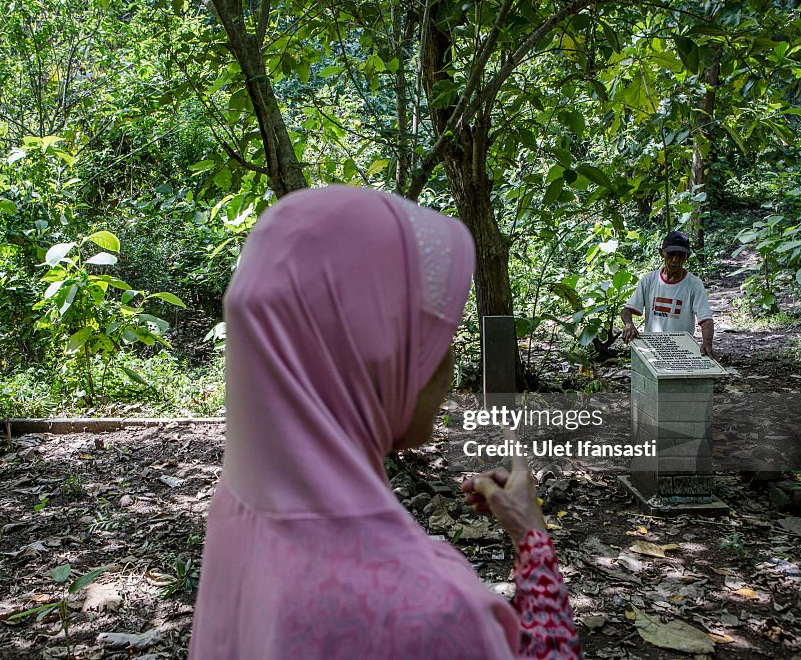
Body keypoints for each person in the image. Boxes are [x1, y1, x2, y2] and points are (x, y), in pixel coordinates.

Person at [188, 186, 580, 659]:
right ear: (372, 352)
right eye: (434, 338)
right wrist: (534, 542)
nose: (449, 362)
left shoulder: (239, 506)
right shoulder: (433, 616)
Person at [621, 230, 716, 358]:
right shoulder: (649, 280)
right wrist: (629, 324)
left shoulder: (694, 284)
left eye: (680, 255)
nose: (675, 260)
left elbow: (706, 319)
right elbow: (626, 310)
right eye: (671, 254)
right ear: (662, 253)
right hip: (653, 347)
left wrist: (707, 343)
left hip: (681, 348)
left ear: (686, 257)